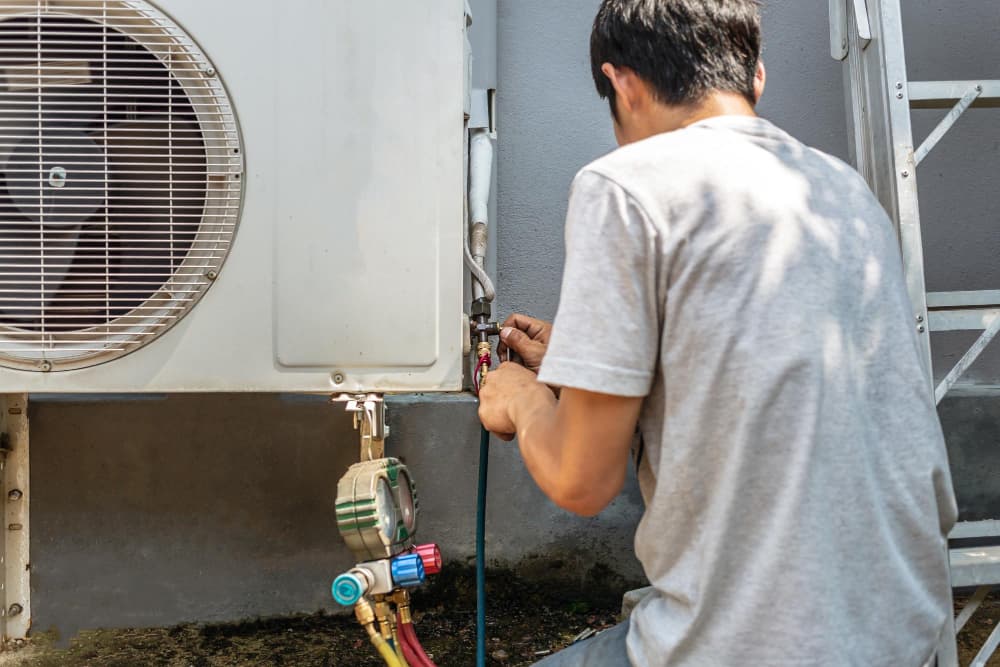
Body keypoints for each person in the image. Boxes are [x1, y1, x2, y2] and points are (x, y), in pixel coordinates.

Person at [476, 0, 957, 665]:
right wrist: (576, 356)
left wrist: (523, 399)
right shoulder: (843, 191)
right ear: (755, 77)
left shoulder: (623, 185)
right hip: (911, 637)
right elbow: (749, 362)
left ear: (622, 84)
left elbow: (580, 480)